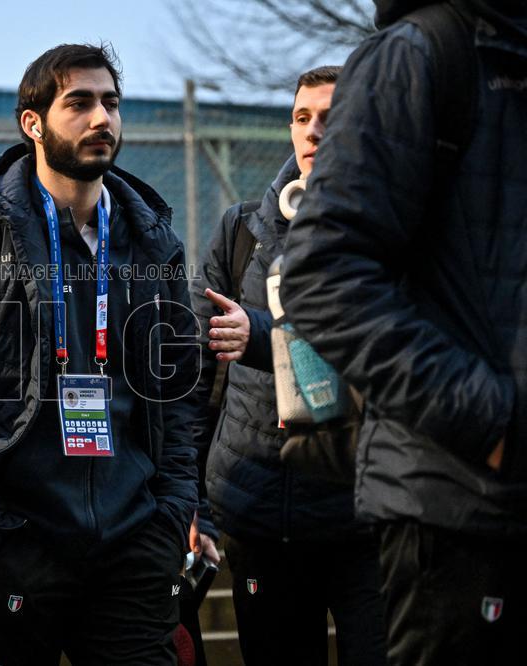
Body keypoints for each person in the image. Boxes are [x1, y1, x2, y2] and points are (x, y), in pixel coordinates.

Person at [0, 43, 202, 666]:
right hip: (14, 544)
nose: (100, 119)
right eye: (78, 103)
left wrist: (169, 519)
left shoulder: (153, 241)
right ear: (32, 122)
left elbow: (180, 395)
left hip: (133, 545)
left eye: (111, 103)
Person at [279, 2, 527, 664]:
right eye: (301, 117)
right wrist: (492, 423)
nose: (313, 131)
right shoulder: (423, 54)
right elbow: (322, 277)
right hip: (462, 509)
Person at [191, 65, 388, 666]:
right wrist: (193, 503)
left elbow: (378, 351)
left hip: (367, 520)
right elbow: (195, 381)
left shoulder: (399, 230)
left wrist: (261, 338)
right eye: (302, 117)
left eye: (330, 117)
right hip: (259, 514)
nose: (313, 131)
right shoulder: (241, 230)